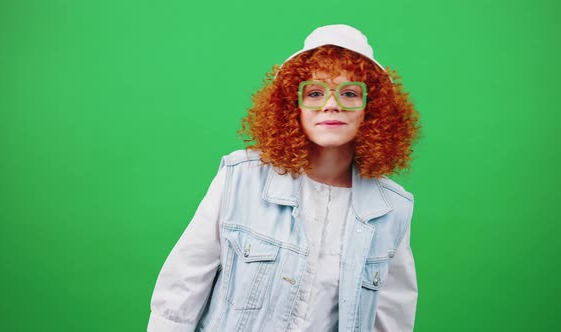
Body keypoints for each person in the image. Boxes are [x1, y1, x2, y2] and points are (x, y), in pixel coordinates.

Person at [147, 24, 420, 332]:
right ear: (293, 106)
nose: (332, 104)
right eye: (315, 93)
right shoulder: (240, 178)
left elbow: (392, 321)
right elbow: (180, 294)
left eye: (349, 93)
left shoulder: (391, 209)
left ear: (371, 110)